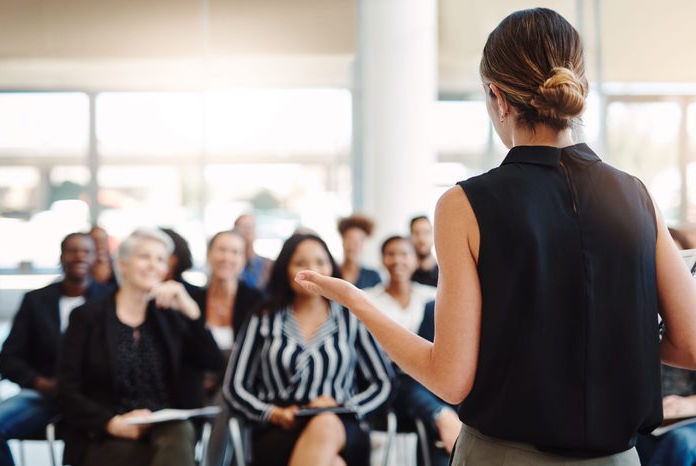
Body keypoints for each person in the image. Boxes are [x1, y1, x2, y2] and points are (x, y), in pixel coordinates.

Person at [295, 7, 696, 465]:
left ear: (498, 97)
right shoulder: (637, 195)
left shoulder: (464, 205)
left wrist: (358, 302)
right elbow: (689, 343)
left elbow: (450, 379)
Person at [55, 227, 223, 466]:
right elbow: (65, 391)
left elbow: (212, 362)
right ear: (122, 264)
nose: (153, 265)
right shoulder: (87, 317)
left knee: (179, 430)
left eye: (161, 259)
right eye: (145, 257)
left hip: (166, 432)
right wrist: (110, 423)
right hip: (105, 433)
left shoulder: (169, 316)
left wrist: (192, 312)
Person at [223, 233, 394, 466]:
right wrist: (272, 413)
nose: (313, 270)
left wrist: (343, 407)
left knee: (325, 422)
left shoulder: (350, 317)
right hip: (279, 428)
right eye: (301, 263)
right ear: (286, 268)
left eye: (320, 262)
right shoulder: (263, 318)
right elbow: (234, 387)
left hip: (343, 424)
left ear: (332, 267)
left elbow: (383, 382)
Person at [0, 232, 111, 466]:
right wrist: (41, 382)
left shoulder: (110, 300)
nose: (79, 256)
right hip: (45, 394)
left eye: (86, 251)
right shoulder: (36, 301)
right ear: (61, 256)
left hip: (95, 398)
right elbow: (8, 358)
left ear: (95, 259)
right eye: (72, 250)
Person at [364, 236, 459, 465]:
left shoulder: (430, 296)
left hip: (431, 376)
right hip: (390, 378)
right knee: (422, 394)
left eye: (404, 254)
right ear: (382, 260)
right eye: (391, 254)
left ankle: (445, 419)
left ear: (416, 260)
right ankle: (443, 417)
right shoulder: (367, 298)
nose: (398, 260)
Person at [199, 230, 264, 466]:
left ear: (244, 259)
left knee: (227, 398)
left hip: (239, 385)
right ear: (209, 254)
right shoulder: (194, 297)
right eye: (221, 250)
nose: (227, 257)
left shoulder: (257, 300)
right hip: (198, 381)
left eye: (235, 252)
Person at [636, 228, 696, 466]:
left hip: (683, 421)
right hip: (641, 424)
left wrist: (688, 403)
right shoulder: (631, 318)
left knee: (681, 444)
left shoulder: (691, 326)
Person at [337, 214, 382, 289]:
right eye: (349, 239)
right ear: (343, 241)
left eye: (359, 240)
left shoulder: (372, 276)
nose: (353, 246)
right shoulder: (331, 272)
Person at [234, 213, 274, 290]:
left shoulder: (268, 265)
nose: (246, 231)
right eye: (242, 227)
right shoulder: (230, 263)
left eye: (249, 227)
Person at [409, 216, 439, 287]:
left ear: (433, 235)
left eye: (426, 232)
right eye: (416, 233)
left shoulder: (444, 273)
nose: (421, 239)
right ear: (410, 237)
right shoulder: (405, 275)